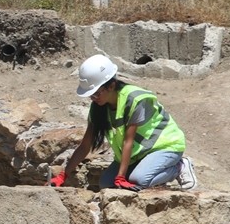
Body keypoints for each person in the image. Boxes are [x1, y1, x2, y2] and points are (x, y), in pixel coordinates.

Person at [50, 54, 192, 191]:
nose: (94, 98)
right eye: (90, 95)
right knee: (106, 184)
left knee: (139, 180)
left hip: (165, 146)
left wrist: (121, 177)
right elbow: (85, 146)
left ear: (111, 86)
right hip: (140, 152)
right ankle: (145, 168)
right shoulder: (98, 107)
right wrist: (64, 175)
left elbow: (128, 141)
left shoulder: (134, 100)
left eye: (96, 93)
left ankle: (179, 167)